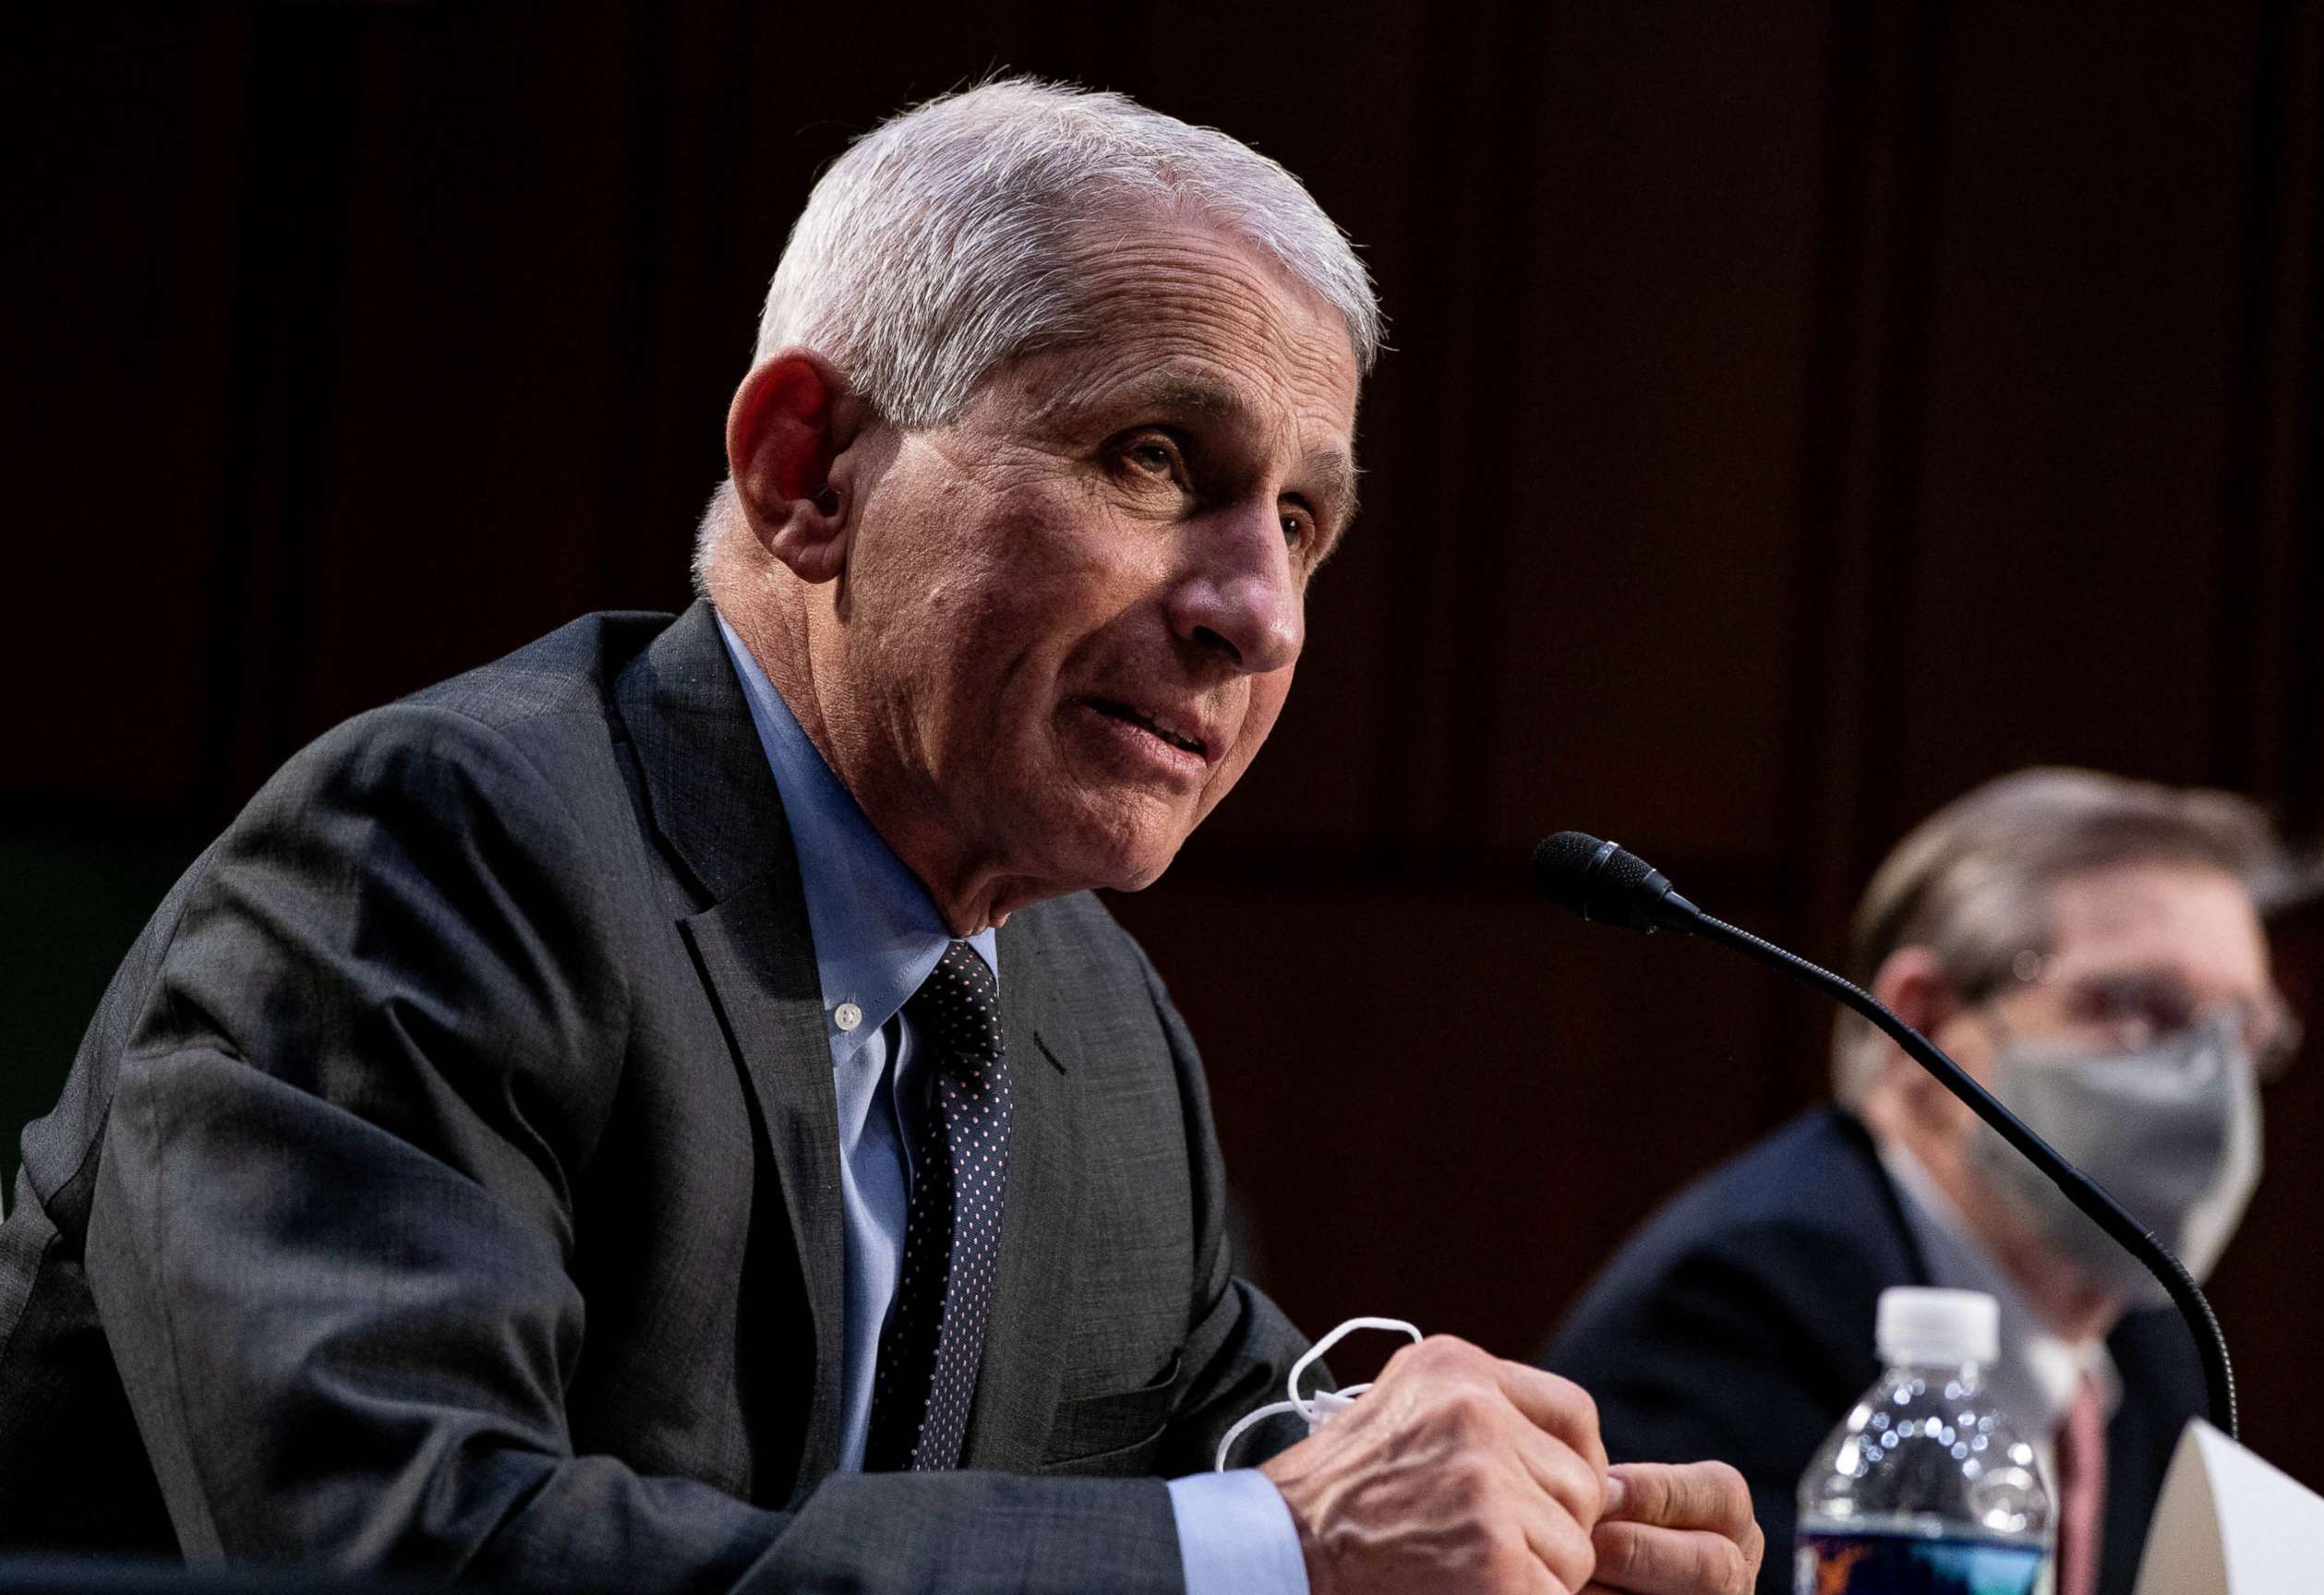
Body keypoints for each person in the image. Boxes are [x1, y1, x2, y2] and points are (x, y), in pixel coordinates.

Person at [0, 80, 1763, 1595]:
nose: (1262, 613)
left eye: (1304, 521)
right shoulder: (439, 859)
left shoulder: (1085, 1022)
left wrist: (1556, 1530)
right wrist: (1266, 1548)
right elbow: (409, 1549)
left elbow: (1266, 1464)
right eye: (1155, 457)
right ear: (808, 470)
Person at [1542, 768, 2324, 1595]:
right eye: (2137, 1009)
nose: (2210, 1082)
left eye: (2244, 1029)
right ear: (1925, 1022)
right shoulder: (1746, 1298)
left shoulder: (2159, 1344)